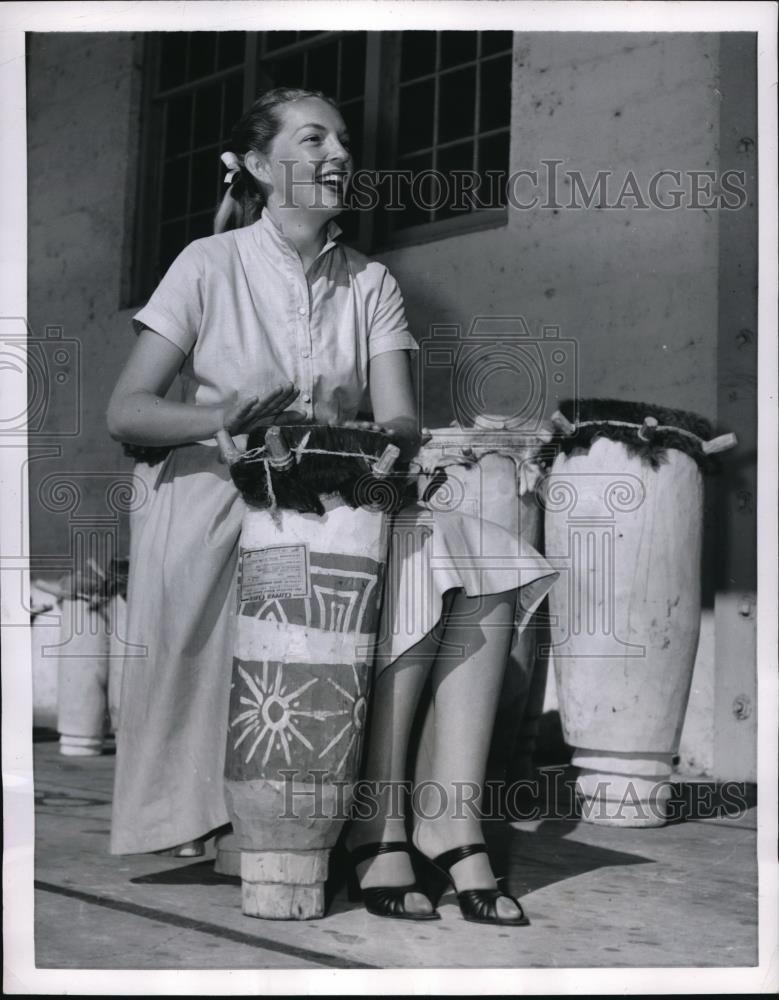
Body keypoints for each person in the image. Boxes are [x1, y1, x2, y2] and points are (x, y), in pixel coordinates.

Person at [107, 87, 419, 857]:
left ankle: (351, 813)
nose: (337, 155)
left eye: (341, 141)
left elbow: (403, 419)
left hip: (330, 494)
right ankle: (207, 812)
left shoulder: (371, 283)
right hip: (217, 490)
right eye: (312, 141)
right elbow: (128, 411)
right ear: (256, 163)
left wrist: (365, 438)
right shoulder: (206, 264)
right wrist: (223, 419)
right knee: (228, 558)